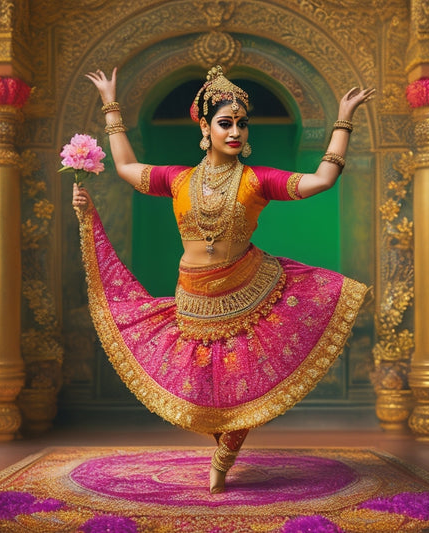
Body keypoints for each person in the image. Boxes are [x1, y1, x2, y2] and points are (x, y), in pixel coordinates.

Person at [72, 65, 374, 493]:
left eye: (242, 124)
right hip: (193, 296)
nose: (236, 132)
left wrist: (344, 119)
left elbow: (322, 179)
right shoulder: (179, 179)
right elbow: (125, 166)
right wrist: (110, 104)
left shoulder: (257, 180)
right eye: (225, 123)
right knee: (202, 384)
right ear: (205, 127)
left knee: (238, 382)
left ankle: (224, 457)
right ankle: (221, 444)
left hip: (248, 290)